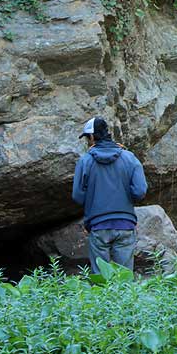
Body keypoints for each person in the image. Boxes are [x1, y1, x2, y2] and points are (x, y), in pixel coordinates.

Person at [72, 116, 147, 272]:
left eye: (87, 138)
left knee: (100, 280)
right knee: (125, 279)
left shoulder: (85, 161)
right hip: (125, 224)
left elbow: (77, 196)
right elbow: (140, 191)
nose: (87, 141)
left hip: (98, 226)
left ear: (92, 137)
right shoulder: (129, 157)